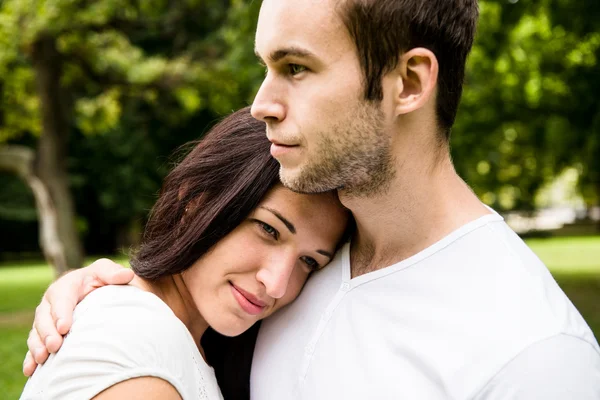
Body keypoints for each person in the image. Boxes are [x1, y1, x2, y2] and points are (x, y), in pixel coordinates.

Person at [25, 0, 600, 398]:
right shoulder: (305, 251)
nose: (261, 104)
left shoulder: (536, 353)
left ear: (408, 82)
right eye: (266, 67)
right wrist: (115, 293)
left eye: (295, 67)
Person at [20, 107, 350, 400]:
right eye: (269, 229)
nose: (277, 284)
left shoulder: (187, 341)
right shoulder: (139, 344)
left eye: (309, 261)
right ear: (196, 200)